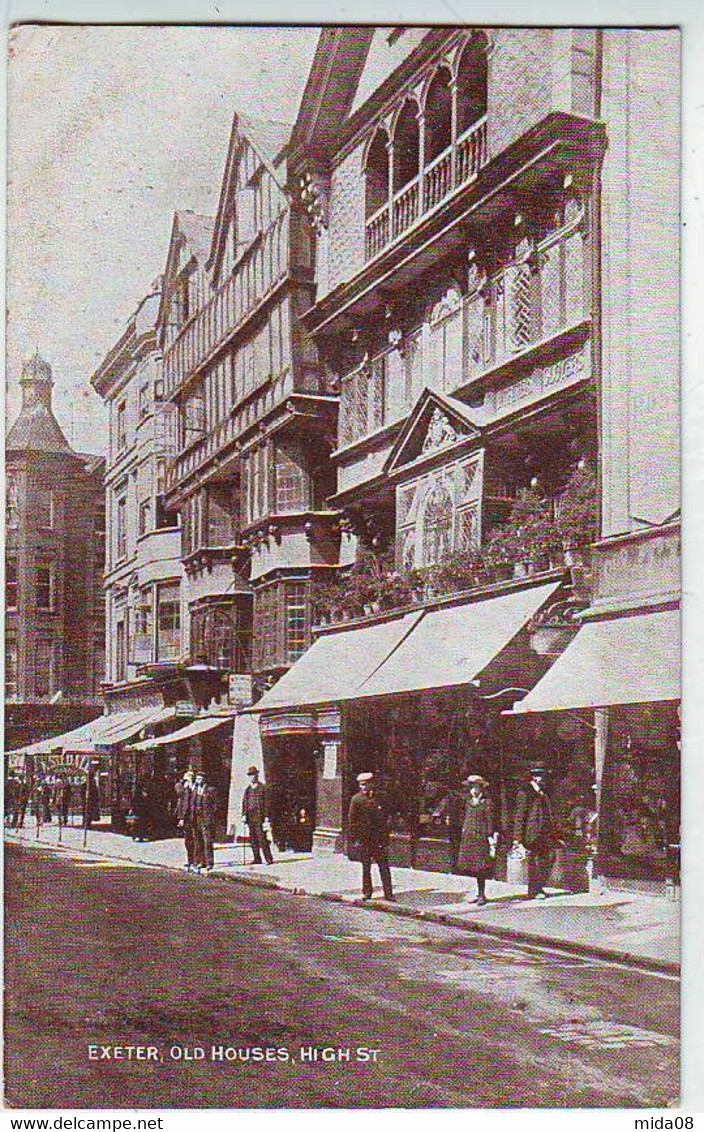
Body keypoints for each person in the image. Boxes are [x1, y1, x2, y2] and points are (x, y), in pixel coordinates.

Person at [348, 772, 394, 902]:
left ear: (371, 784)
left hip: (379, 839)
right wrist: (355, 839)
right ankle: (367, 892)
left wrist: (386, 834)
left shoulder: (381, 798)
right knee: (366, 867)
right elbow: (352, 821)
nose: (363, 787)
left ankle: (388, 893)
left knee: (384, 866)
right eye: (361, 785)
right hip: (364, 839)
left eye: (365, 784)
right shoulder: (356, 800)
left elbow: (388, 816)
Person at [512, 765, 556, 899]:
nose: (541, 779)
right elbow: (520, 816)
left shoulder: (543, 793)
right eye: (538, 775)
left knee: (548, 859)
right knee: (534, 863)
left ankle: (538, 887)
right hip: (531, 834)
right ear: (533, 777)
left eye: (543, 776)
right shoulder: (525, 793)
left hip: (543, 833)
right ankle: (534, 890)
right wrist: (517, 839)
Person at [457, 775, 498, 906]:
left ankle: (482, 894)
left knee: (481, 867)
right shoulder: (467, 802)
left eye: (476, 787)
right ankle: (477, 893)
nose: (474, 790)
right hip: (468, 837)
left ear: (481, 789)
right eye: (472, 787)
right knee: (471, 867)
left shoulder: (486, 803)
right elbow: (463, 818)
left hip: (480, 838)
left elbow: (490, 821)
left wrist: (490, 835)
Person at [242, 766, 273, 865]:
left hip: (259, 816)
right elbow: (244, 803)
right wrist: (243, 815)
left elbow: (267, 803)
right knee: (252, 839)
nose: (252, 777)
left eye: (254, 775)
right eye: (251, 775)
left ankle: (268, 858)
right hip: (250, 816)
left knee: (261, 838)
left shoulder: (262, 788)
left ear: (257, 776)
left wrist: (267, 816)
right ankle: (257, 858)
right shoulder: (247, 789)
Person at [192, 771, 218, 874]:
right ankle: (201, 861)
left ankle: (209, 862)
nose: (199, 780)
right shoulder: (195, 790)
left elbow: (215, 806)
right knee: (198, 841)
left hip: (206, 819)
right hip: (197, 819)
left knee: (207, 841)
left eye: (201, 778)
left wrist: (210, 817)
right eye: (197, 779)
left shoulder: (210, 790)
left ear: (204, 779)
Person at [175, 769, 196, 872]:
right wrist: (181, 818)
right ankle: (190, 860)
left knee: (196, 839)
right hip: (187, 818)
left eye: (192, 777)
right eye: (188, 777)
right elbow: (183, 803)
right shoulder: (182, 787)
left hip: (196, 817)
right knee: (188, 840)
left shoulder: (196, 787)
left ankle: (197, 861)